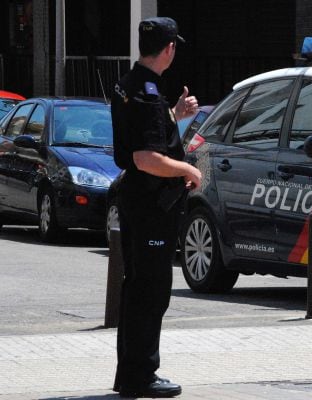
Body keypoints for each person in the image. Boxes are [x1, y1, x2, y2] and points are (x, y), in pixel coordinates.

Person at [110, 16, 201, 398]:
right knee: (150, 290)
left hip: (136, 200)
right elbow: (146, 157)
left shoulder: (131, 83)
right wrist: (188, 170)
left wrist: (175, 115)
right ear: (169, 49)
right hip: (150, 206)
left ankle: (129, 374)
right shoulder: (148, 93)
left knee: (137, 288)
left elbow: (143, 132)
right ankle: (141, 375)